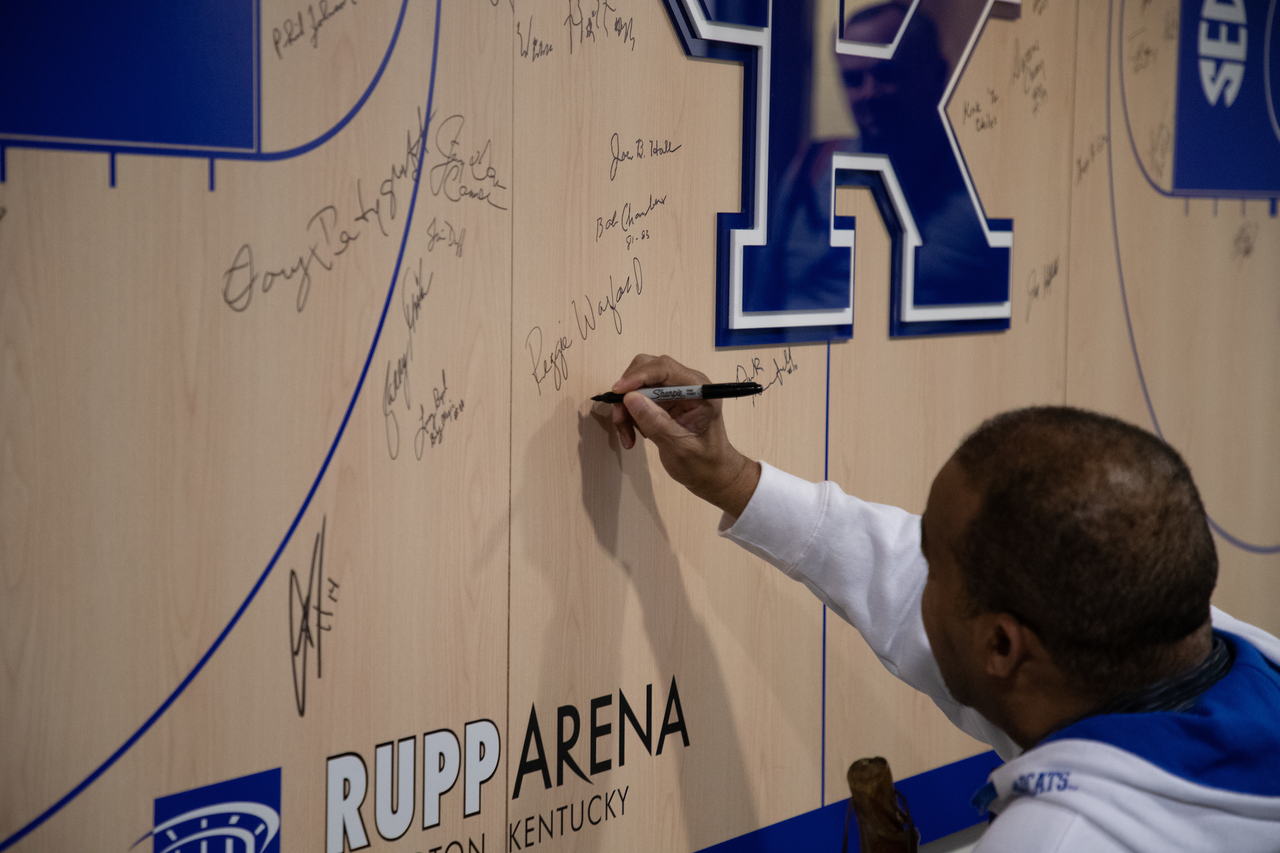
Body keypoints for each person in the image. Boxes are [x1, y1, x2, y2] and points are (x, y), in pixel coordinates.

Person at [604, 354, 1280, 852]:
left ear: (1001, 646)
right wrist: (733, 478)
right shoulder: (1167, 643)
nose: (911, 569)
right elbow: (889, 566)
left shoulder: (1059, 839)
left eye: (934, 563)